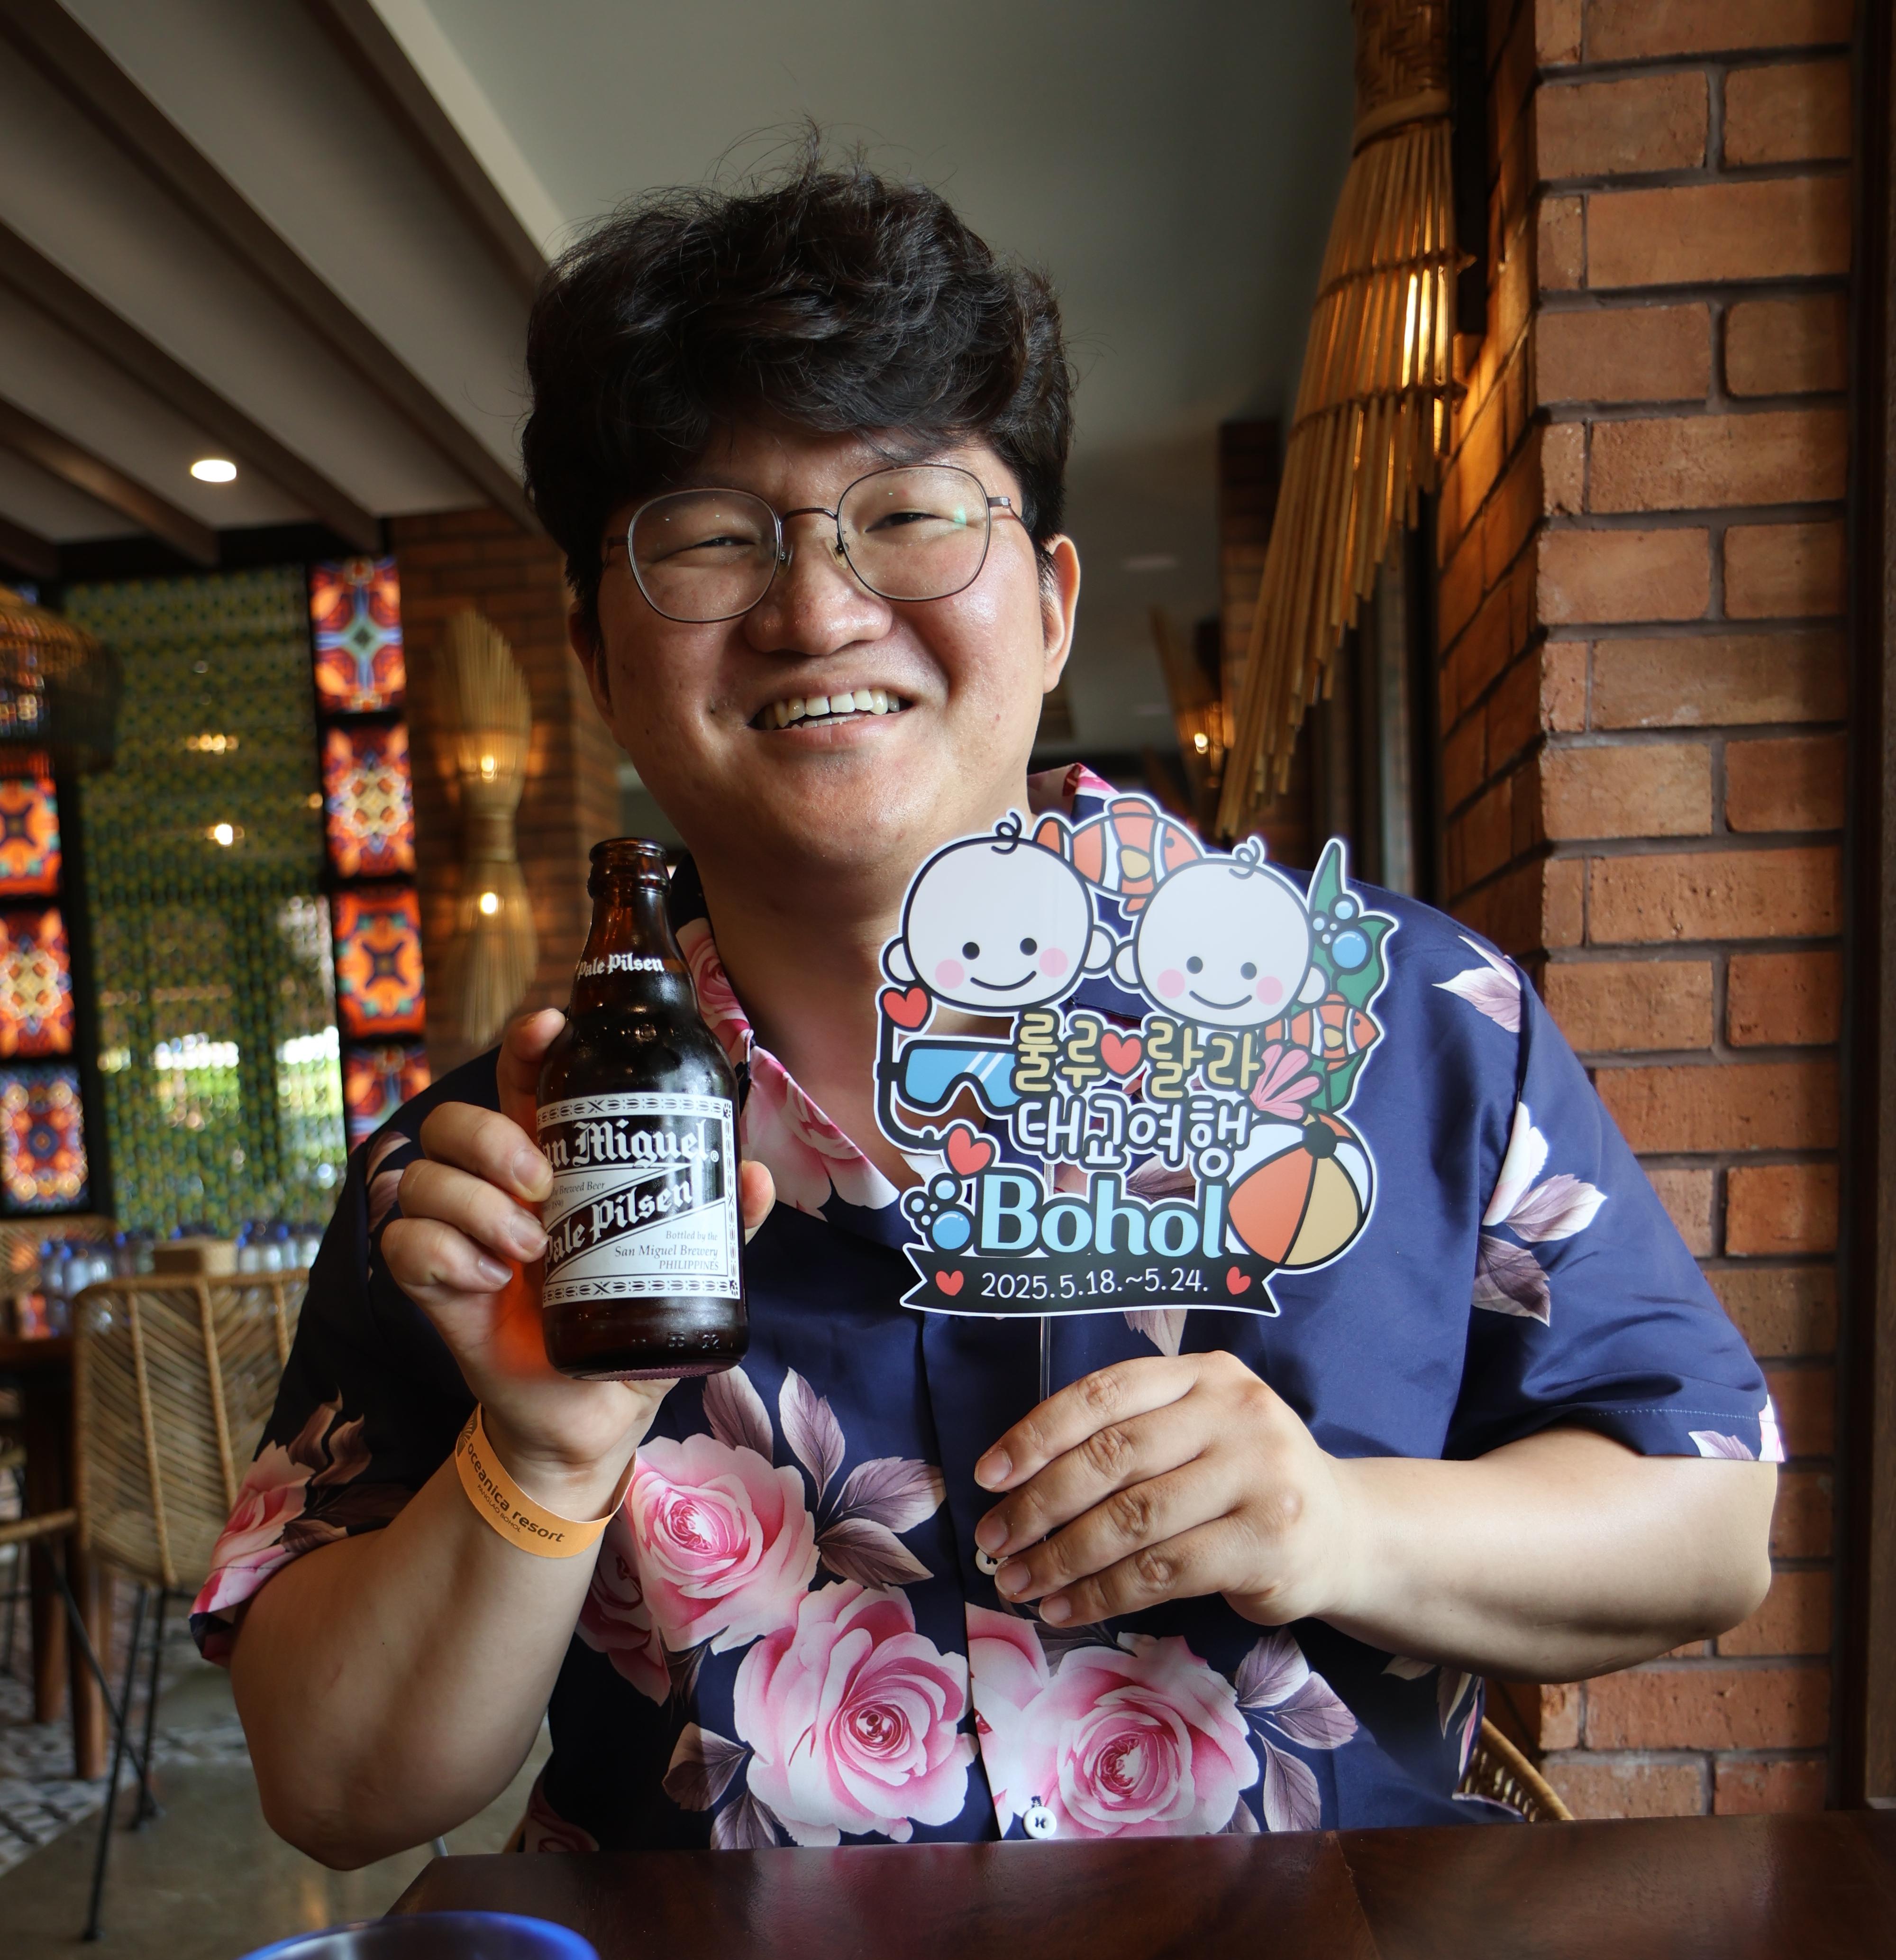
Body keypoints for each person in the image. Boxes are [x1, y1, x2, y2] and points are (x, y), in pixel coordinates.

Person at [199, 157, 1776, 1865]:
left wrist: (1339, 1526)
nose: (817, 610)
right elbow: (333, 1794)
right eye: (712, 540)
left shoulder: (1409, 1025)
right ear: (595, 656)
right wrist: (536, 1462)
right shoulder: (484, 1180)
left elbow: (1706, 1524)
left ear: (1053, 604)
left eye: (910, 515)